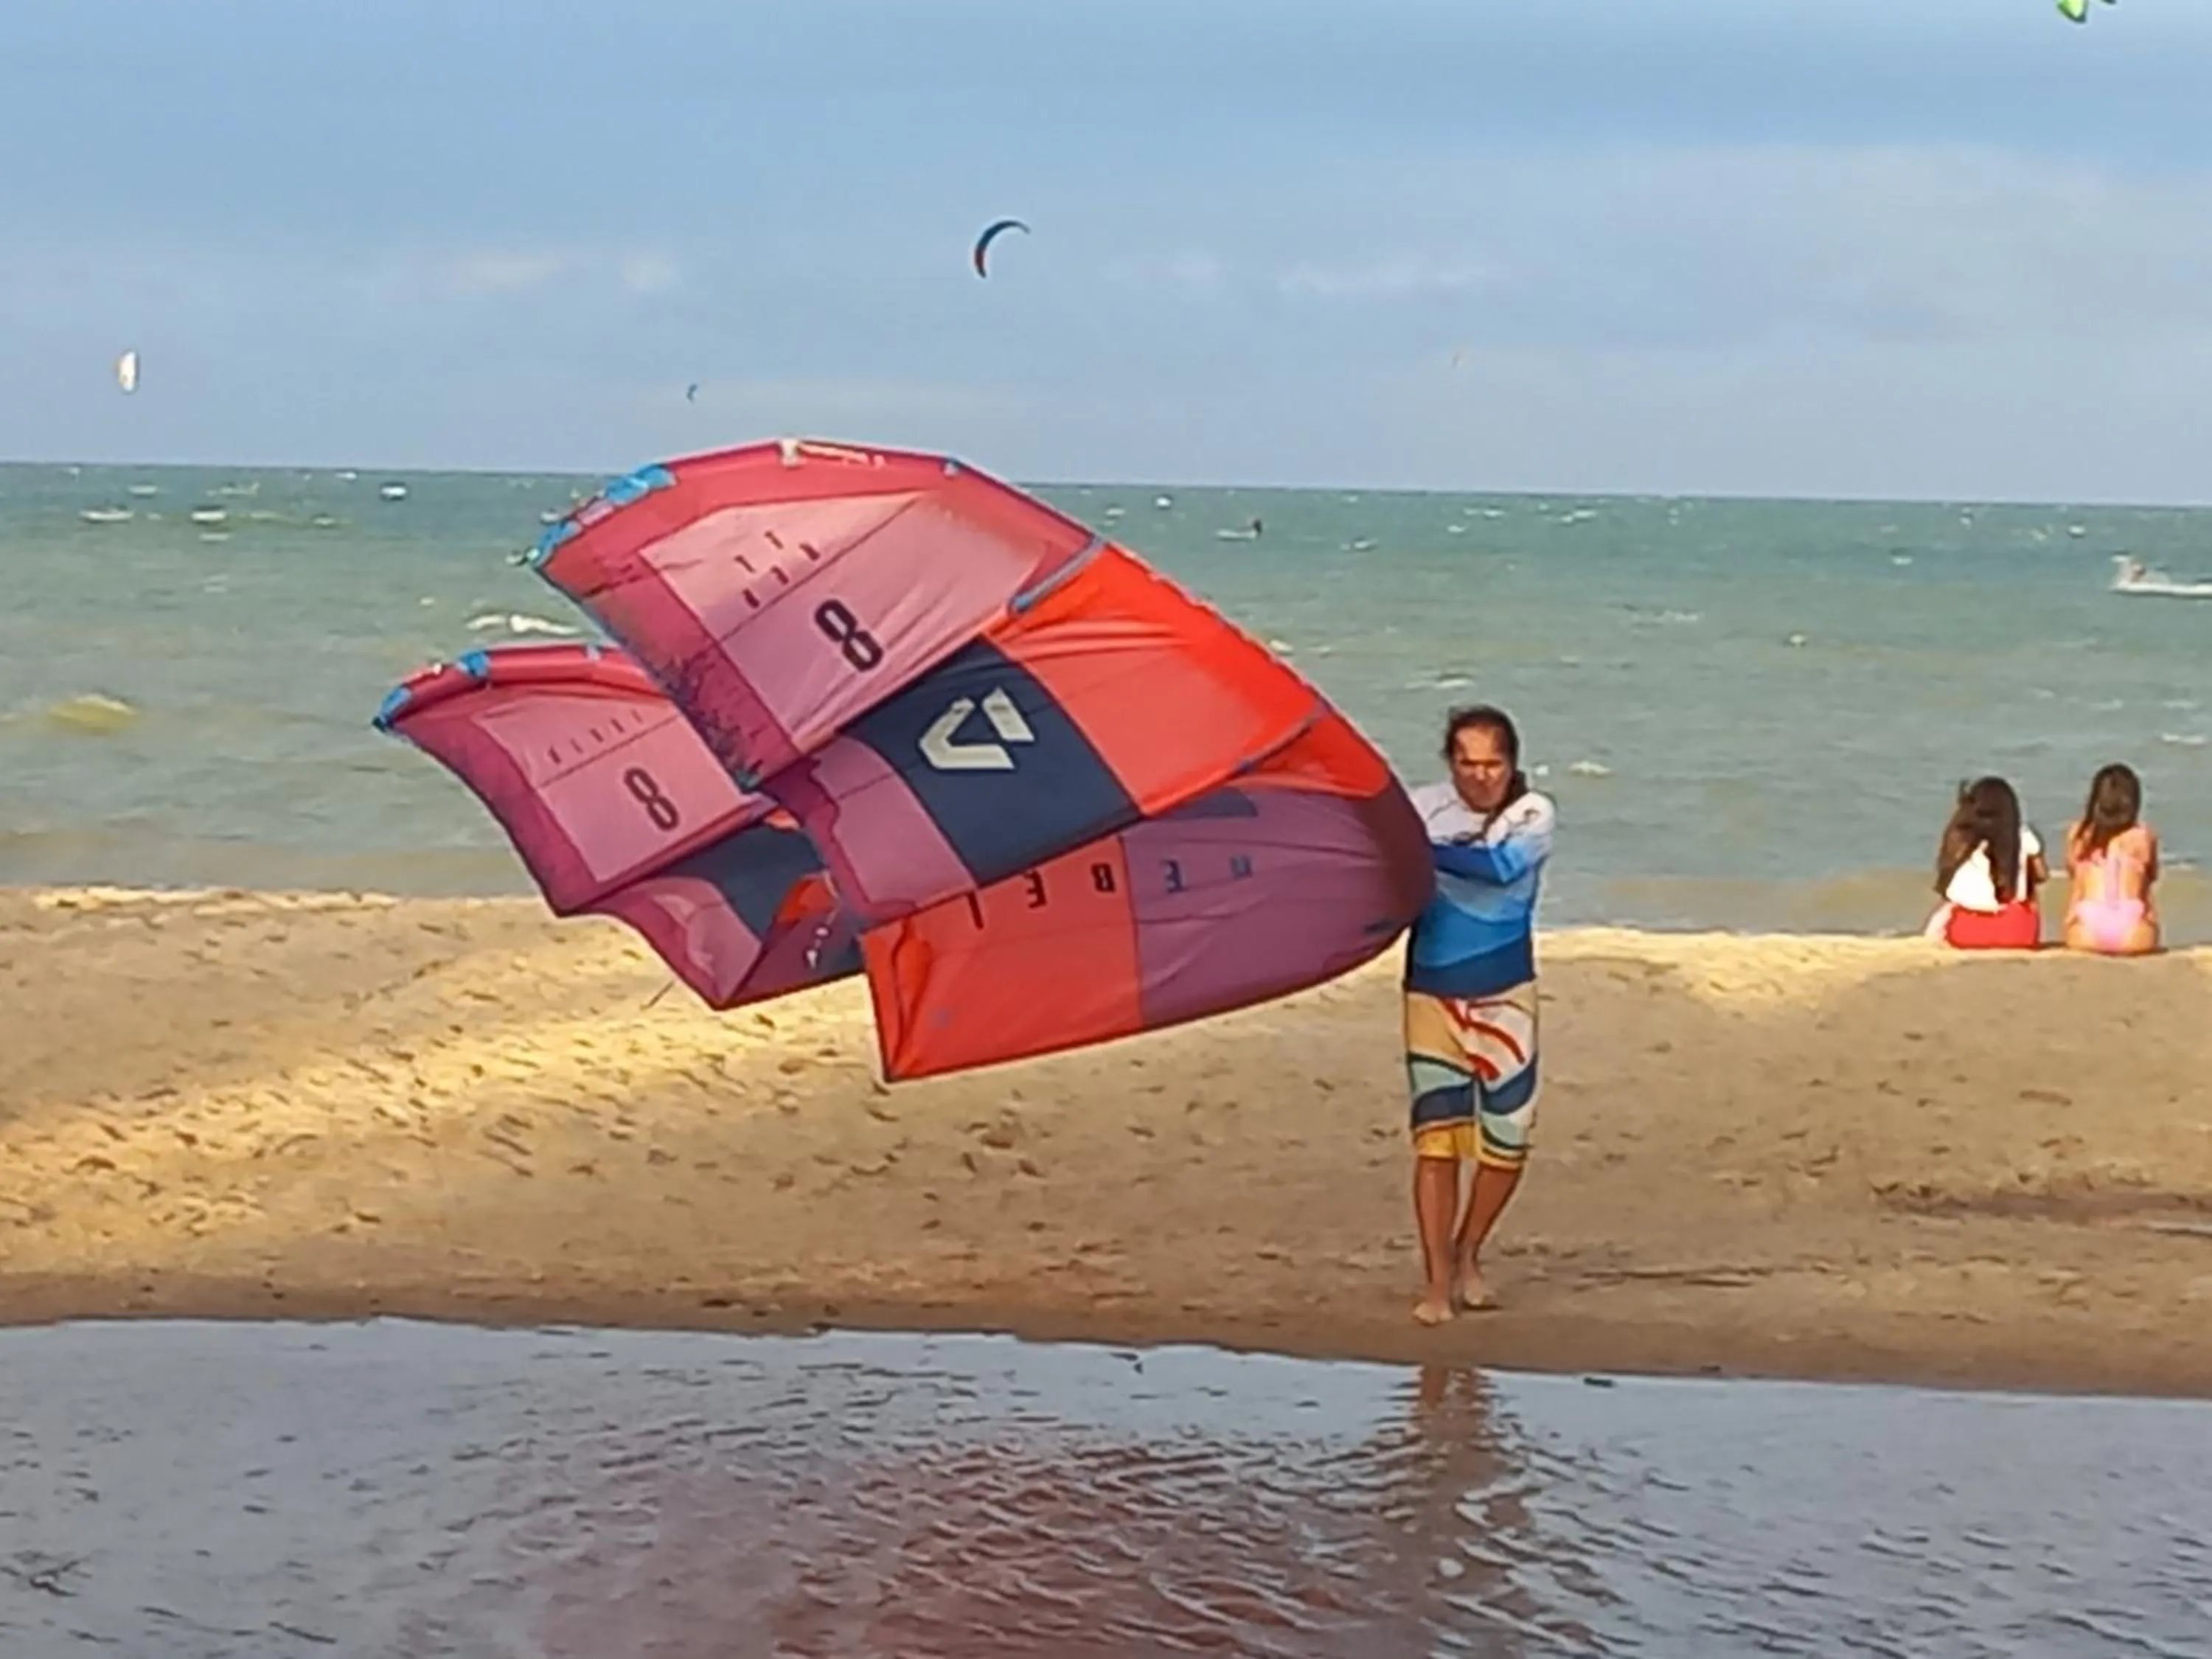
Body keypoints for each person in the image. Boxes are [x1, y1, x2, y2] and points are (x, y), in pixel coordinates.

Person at [1402, 703, 1556, 1326]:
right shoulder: (1422, 808)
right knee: (1436, 1146)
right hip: (1430, 992)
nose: (1480, 776)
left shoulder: (1532, 813)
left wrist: (1414, 847)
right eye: (1467, 763)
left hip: (1506, 994)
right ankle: (1438, 1282)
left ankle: (1470, 1250)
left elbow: (1498, 869)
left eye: (1493, 763)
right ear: (1450, 762)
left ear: (1512, 763)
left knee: (1506, 1144)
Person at [1925, 775, 2046, 950]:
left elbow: (1948, 884)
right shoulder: (2023, 836)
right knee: (2028, 890)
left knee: (1948, 909)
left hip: (1968, 932)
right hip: (2018, 933)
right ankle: (2024, 923)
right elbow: (2042, 875)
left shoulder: (1960, 838)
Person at [2063, 762, 2161, 956]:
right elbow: (2151, 878)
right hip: (2133, 933)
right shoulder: (2143, 836)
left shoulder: (2079, 834)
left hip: (2086, 932)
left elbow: (2075, 878)